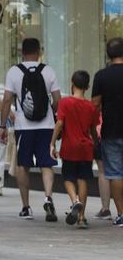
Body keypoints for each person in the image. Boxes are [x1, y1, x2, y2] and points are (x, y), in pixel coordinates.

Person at [0, 38, 62, 221]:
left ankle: (26, 207)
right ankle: (48, 197)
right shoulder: (48, 70)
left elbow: (7, 100)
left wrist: (3, 126)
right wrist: (51, 112)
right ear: (39, 51)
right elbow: (58, 100)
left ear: (22, 52)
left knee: (23, 165)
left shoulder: (14, 72)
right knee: (47, 164)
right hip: (47, 126)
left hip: (23, 127)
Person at [49, 71, 99, 229]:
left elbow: (59, 123)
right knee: (82, 179)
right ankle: (82, 218)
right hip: (86, 148)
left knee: (69, 178)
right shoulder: (91, 106)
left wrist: (52, 143)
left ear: (72, 83)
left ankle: (74, 201)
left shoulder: (65, 102)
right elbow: (93, 129)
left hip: (70, 147)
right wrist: (96, 143)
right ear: (88, 87)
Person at [91, 37, 123, 227]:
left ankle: (120, 214)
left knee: (116, 173)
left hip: (110, 130)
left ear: (108, 55)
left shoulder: (101, 76)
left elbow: (95, 104)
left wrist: (93, 129)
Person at [94, 112, 113, 220]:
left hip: (102, 135)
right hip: (117, 134)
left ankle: (105, 209)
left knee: (102, 172)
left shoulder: (101, 97)